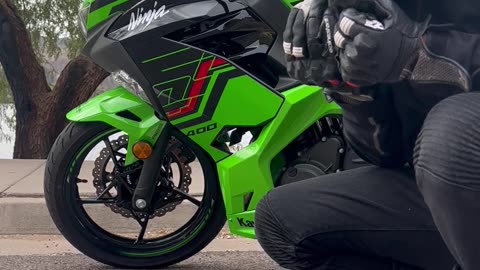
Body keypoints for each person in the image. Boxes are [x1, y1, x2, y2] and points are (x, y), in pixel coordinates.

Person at [254, 0, 480, 269]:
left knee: (453, 136)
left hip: (459, 154)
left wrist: (418, 56)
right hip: (454, 203)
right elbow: (386, 153)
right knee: (283, 220)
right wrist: (349, 88)